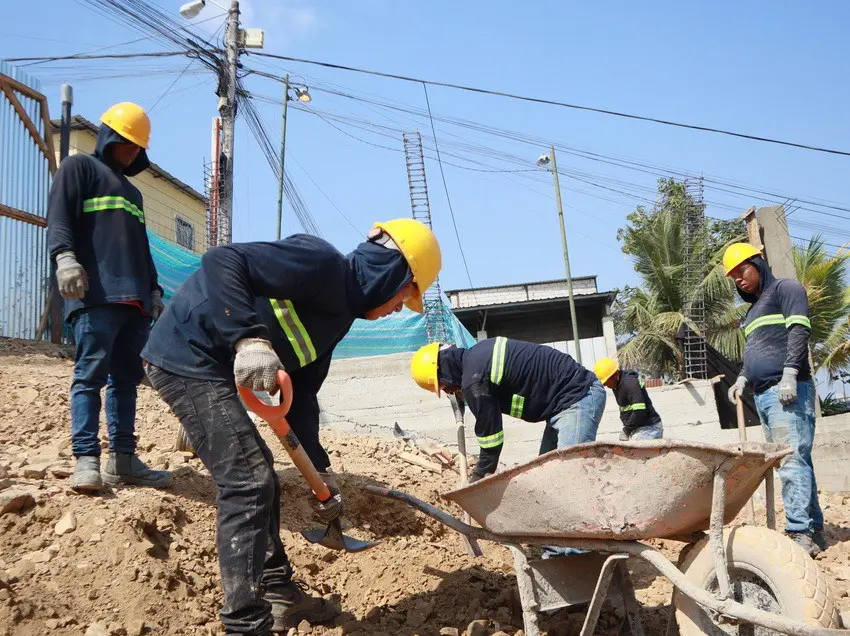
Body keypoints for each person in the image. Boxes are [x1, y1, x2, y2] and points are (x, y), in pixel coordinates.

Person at [142, 219, 441, 635]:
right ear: (392, 273)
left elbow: (300, 399)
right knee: (249, 481)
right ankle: (245, 624)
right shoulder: (321, 264)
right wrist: (250, 340)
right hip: (186, 354)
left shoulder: (339, 319)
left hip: (212, 368)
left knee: (259, 472)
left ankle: (279, 591)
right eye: (404, 296)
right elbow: (223, 259)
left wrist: (319, 473)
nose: (397, 309)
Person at [47, 102, 171, 494]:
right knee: (89, 377)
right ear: (110, 137)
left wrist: (153, 288)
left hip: (133, 302)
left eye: (138, 147)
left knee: (126, 381)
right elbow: (60, 216)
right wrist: (64, 257)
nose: (133, 151)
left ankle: (123, 459)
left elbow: (141, 247)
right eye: (128, 143)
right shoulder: (78, 169)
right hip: (96, 294)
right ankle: (86, 459)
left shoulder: (133, 193)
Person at [723, 242, 825, 557]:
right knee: (792, 462)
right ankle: (814, 530)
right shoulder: (752, 312)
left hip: (788, 391)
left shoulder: (786, 289)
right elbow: (755, 352)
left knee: (792, 462)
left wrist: (791, 373)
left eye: (743, 271)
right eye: (734, 277)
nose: (739, 280)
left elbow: (798, 330)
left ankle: (798, 534)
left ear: (759, 262)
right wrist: (742, 377)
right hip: (764, 396)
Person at [410, 337, 606, 481]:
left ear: (443, 370)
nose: (448, 391)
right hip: (563, 404)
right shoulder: (477, 357)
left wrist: (479, 476)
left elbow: (491, 438)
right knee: (546, 476)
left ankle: (599, 527)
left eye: (444, 386)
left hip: (578, 396)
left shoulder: (475, 381)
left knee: (570, 475)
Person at [593, 358, 663, 440]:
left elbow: (640, 410)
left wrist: (627, 429)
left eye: (607, 381)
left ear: (615, 375)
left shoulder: (629, 384)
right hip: (637, 427)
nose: (605, 385)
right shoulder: (616, 384)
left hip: (648, 428)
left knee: (638, 452)